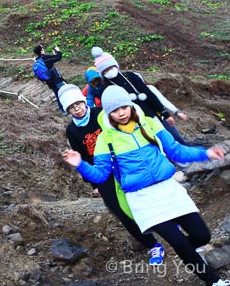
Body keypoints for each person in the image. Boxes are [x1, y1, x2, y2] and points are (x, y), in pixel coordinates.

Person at [63, 85, 230, 286]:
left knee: (202, 236)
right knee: (178, 242)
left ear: (130, 105)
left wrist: (206, 154)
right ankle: (214, 281)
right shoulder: (104, 139)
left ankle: (190, 253)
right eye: (114, 110)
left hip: (168, 189)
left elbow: (176, 151)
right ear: (108, 113)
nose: (121, 113)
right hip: (141, 198)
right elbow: (100, 174)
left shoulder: (150, 124)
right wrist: (80, 164)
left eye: (123, 107)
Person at [58, 84, 163, 264]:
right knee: (120, 211)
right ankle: (153, 245)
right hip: (102, 173)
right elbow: (81, 156)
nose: (77, 109)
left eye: (78, 104)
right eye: (71, 107)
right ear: (68, 110)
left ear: (84, 102)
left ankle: (168, 227)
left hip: (123, 164)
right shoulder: (72, 130)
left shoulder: (101, 114)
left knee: (143, 197)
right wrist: (94, 184)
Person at [91, 46, 187, 145]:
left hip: (152, 115)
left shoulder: (131, 76)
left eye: (110, 67)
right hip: (133, 122)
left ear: (115, 65)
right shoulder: (106, 89)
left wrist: (165, 114)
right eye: (105, 70)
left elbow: (150, 95)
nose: (109, 71)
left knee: (167, 139)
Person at [32, 44, 67, 114]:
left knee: (58, 95)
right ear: (41, 51)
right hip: (57, 80)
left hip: (50, 82)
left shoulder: (37, 61)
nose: (44, 50)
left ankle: (63, 111)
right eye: (42, 49)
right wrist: (58, 51)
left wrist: (54, 55)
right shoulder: (46, 58)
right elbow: (59, 57)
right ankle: (68, 108)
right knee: (64, 94)